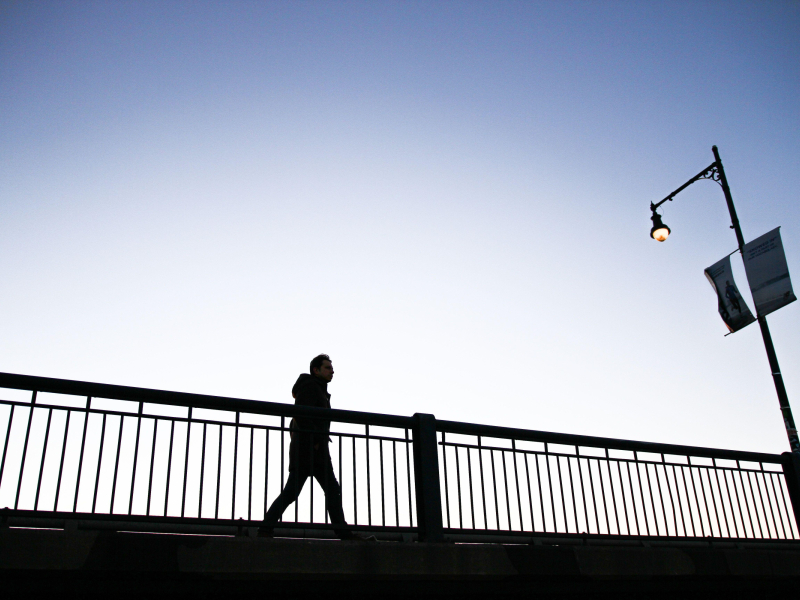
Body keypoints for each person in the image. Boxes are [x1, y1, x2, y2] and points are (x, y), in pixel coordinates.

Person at [260, 354, 371, 541]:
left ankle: (266, 529)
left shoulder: (318, 388)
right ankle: (265, 529)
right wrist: (317, 440)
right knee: (296, 492)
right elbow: (301, 415)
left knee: (325, 490)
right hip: (309, 450)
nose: (332, 371)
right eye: (327, 367)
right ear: (316, 370)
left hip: (314, 450)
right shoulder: (310, 386)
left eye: (331, 368)